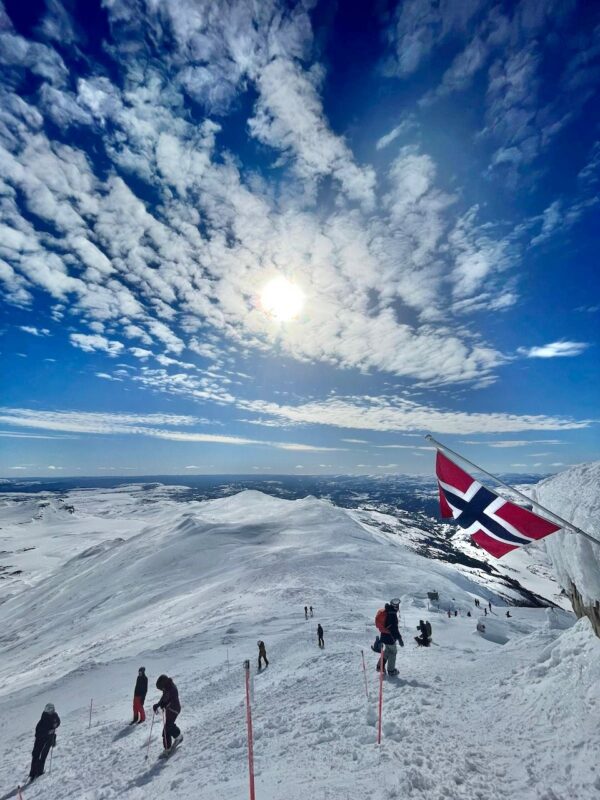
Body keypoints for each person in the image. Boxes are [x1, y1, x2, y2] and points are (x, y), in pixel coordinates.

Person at [29, 703, 60, 781]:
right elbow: (37, 732)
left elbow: (58, 722)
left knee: (43, 755)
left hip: (49, 739)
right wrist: (47, 732)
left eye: (51, 709)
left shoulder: (55, 716)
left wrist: (56, 725)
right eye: (49, 709)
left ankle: (40, 771)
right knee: (36, 755)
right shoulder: (43, 718)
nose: (50, 711)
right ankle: (33, 774)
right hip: (40, 739)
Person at [153, 675, 182, 754]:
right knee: (167, 728)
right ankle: (168, 747)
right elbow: (164, 698)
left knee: (167, 727)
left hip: (174, 709)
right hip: (170, 710)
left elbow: (171, 699)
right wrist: (158, 704)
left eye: (161, 688)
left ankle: (177, 738)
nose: (162, 690)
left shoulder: (172, 689)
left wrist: (164, 704)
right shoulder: (167, 687)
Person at [377, 599, 404, 676]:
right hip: (390, 637)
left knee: (387, 651)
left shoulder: (388, 611)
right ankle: (391, 670)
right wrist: (399, 638)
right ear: (396, 607)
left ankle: (380, 666)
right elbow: (394, 629)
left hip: (384, 635)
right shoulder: (392, 614)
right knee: (393, 652)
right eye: (397, 606)